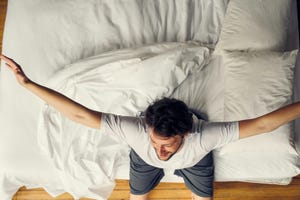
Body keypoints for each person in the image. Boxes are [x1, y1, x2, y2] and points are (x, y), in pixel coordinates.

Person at [1, 54, 300, 200]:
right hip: (140, 162)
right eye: (156, 141)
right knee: (137, 197)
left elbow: (263, 124)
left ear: (185, 133)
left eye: (167, 144)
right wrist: (28, 84)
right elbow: (80, 115)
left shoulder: (204, 136)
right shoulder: (137, 132)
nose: (161, 149)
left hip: (196, 162)